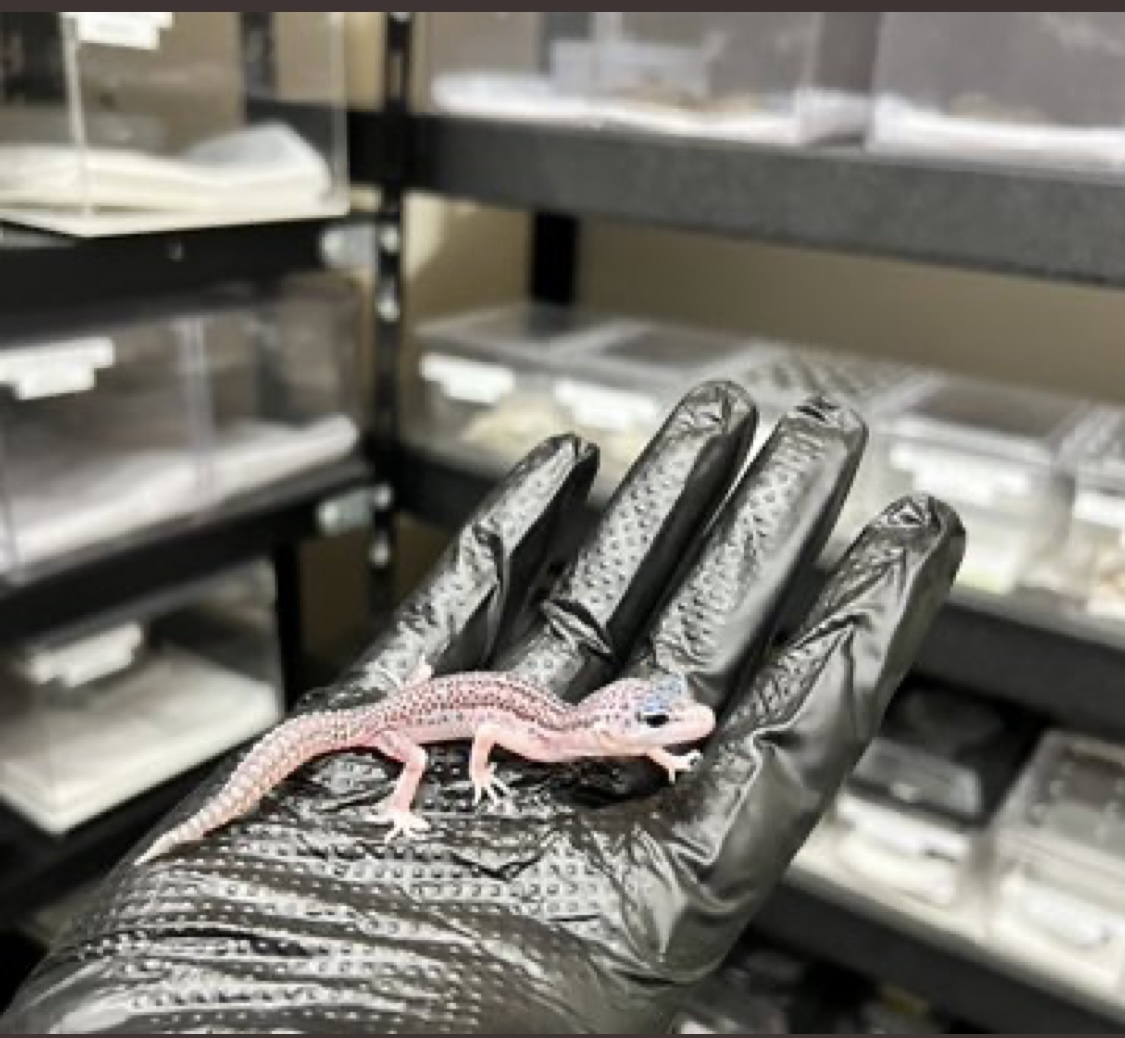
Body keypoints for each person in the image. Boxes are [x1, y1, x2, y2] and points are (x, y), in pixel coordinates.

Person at [0, 383, 963, 1034]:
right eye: (657, 723)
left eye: (661, 722)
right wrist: (442, 788)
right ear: (612, 719)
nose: (673, 730)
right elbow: (496, 731)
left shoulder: (585, 729)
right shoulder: (547, 732)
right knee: (407, 758)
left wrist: (667, 756)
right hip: (392, 727)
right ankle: (341, 803)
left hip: (446, 705)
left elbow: (591, 729)